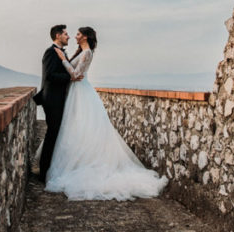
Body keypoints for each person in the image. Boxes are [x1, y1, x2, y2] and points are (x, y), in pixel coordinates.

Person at [45, 27, 167, 200]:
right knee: (75, 129)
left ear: (85, 37)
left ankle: (85, 165)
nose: (75, 36)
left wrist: (64, 60)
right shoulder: (81, 51)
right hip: (75, 93)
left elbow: (76, 74)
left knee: (83, 127)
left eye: (78, 34)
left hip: (81, 93)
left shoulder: (87, 53)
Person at [35, 24, 75, 183]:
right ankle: (44, 173)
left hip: (57, 98)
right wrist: (70, 78)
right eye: (66, 34)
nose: (68, 36)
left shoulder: (60, 52)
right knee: (52, 134)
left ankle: (48, 169)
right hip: (52, 99)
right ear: (58, 35)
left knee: (55, 134)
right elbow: (50, 75)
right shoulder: (50, 52)